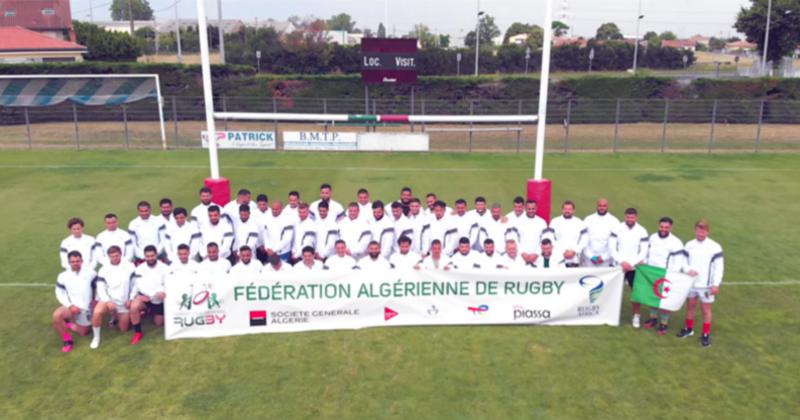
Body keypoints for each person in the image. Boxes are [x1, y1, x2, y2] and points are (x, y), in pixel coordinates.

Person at [677, 219, 724, 347]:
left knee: (705, 310)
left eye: (703, 232)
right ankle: (689, 329)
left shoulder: (715, 247)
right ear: (695, 230)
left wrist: (716, 284)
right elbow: (683, 262)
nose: (700, 234)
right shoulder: (689, 245)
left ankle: (705, 334)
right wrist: (688, 270)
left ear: (707, 232)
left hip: (706, 285)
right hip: (691, 283)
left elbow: (719, 267)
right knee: (690, 306)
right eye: (698, 231)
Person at [643, 217, 686, 335]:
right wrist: (645, 264)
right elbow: (647, 253)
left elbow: (678, 262)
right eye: (661, 227)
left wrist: (670, 276)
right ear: (658, 226)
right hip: (651, 273)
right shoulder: (652, 238)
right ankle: (653, 318)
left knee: (664, 301)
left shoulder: (676, 242)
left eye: (666, 227)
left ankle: (664, 324)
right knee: (652, 297)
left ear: (671, 228)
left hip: (666, 276)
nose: (663, 229)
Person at [609, 207, 649, 328]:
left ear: (636, 217)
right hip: (619, 266)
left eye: (632, 217)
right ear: (624, 216)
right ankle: (612, 315)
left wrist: (630, 263)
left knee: (635, 292)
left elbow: (643, 251)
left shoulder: (642, 231)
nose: (630, 219)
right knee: (614, 291)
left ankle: (636, 316)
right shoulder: (617, 229)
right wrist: (622, 262)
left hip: (634, 267)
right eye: (628, 217)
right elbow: (612, 247)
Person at [91, 246, 135, 349]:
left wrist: (131, 299)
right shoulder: (103, 269)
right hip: (109, 300)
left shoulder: (130, 266)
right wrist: (107, 301)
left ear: (121, 254)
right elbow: (100, 288)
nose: (114, 258)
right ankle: (96, 337)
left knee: (123, 329)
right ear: (108, 257)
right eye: (112, 256)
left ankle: (115, 315)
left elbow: (135, 284)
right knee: (97, 313)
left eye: (116, 255)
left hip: (124, 303)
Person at [53, 251, 95, 353]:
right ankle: (67, 341)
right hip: (71, 307)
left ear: (82, 261)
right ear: (69, 262)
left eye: (77, 261)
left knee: (84, 332)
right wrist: (70, 305)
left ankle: (69, 324)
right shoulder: (62, 276)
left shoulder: (91, 273)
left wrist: (95, 300)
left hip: (85, 309)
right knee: (56, 316)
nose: (75, 263)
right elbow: (59, 292)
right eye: (72, 261)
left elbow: (97, 287)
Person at [129, 245, 168, 345]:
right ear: (144, 256)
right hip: (145, 298)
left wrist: (161, 293)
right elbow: (139, 285)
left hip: (159, 299)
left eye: (152, 256)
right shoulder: (139, 269)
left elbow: (167, 284)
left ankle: (149, 312)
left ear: (156, 255)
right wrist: (150, 295)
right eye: (148, 256)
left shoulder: (165, 268)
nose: (150, 258)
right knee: (134, 307)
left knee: (159, 323)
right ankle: (138, 333)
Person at [508, 199, 549, 265]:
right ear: (525, 208)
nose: (531, 211)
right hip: (521, 258)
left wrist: (536, 254)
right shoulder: (518, 222)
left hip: (537, 259)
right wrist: (523, 253)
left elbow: (544, 240)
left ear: (536, 208)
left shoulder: (542, 222)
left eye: (533, 209)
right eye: (529, 209)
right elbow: (515, 240)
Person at [582, 198, 620, 267]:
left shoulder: (614, 221)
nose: (602, 208)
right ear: (596, 206)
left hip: (607, 258)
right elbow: (584, 239)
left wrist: (604, 257)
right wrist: (590, 256)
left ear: (607, 207)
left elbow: (614, 243)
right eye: (600, 206)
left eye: (604, 206)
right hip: (589, 257)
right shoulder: (588, 219)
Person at [549, 201, 587, 267]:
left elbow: (584, 239)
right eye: (565, 209)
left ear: (573, 210)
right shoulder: (555, 222)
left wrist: (574, 251)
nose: (567, 211)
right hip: (558, 258)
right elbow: (551, 238)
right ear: (562, 210)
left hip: (574, 258)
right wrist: (562, 252)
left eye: (569, 209)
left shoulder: (579, 222)